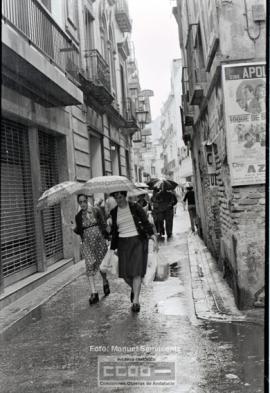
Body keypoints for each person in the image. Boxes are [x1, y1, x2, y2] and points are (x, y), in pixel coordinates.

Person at [109, 191, 157, 312]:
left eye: (120, 197)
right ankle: (134, 289)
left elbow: (145, 223)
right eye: (116, 198)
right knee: (124, 274)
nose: (118, 200)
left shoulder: (136, 207)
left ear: (125, 196)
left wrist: (153, 236)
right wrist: (112, 248)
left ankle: (136, 301)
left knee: (136, 272)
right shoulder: (114, 212)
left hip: (137, 241)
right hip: (122, 244)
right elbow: (114, 232)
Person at [73, 194, 110, 305]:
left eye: (84, 201)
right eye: (80, 202)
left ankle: (104, 281)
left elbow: (103, 224)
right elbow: (79, 231)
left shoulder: (96, 210)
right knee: (89, 265)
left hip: (99, 241)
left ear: (87, 200)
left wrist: (108, 236)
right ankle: (94, 293)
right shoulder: (78, 216)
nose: (83, 203)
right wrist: (74, 229)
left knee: (101, 266)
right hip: (87, 243)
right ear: (78, 203)